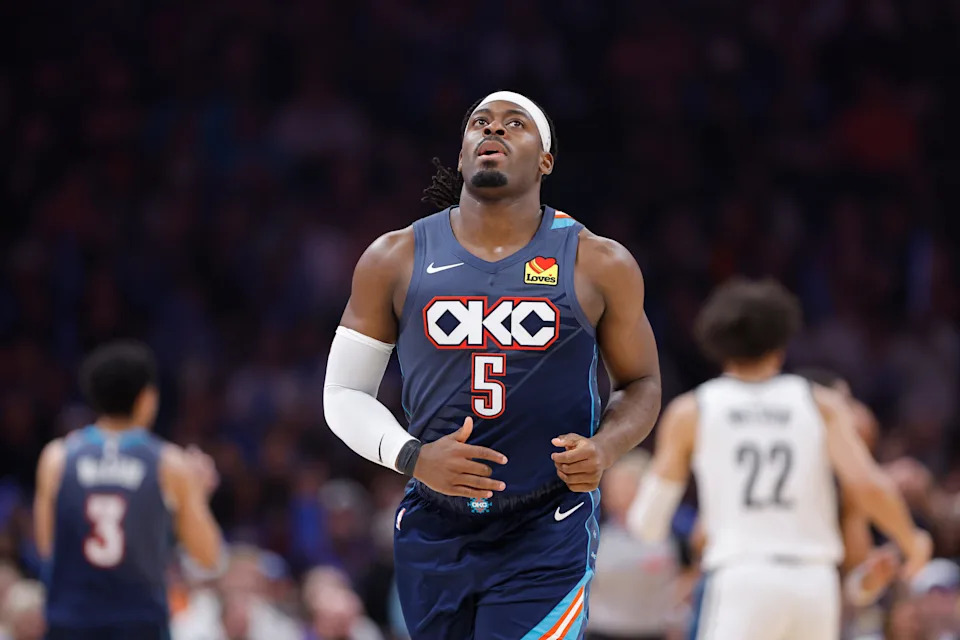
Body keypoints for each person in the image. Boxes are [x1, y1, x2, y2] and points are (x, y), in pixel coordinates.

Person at [323, 91, 662, 638]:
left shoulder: (599, 261)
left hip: (547, 524)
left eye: (514, 124)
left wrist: (607, 447)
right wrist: (412, 456)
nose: (494, 130)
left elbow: (642, 382)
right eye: (480, 123)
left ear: (545, 161)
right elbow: (342, 393)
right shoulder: (394, 256)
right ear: (460, 157)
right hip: (434, 521)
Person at [626, 279, 931, 640]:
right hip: (814, 583)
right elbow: (866, 484)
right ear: (781, 344)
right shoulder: (821, 403)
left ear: (716, 343)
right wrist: (910, 540)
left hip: (741, 577)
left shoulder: (693, 410)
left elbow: (648, 523)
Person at [34, 340, 223, 640]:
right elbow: (208, 556)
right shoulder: (169, 463)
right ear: (147, 398)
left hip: (71, 623)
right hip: (138, 624)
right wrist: (196, 495)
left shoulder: (57, 458)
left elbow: (46, 546)